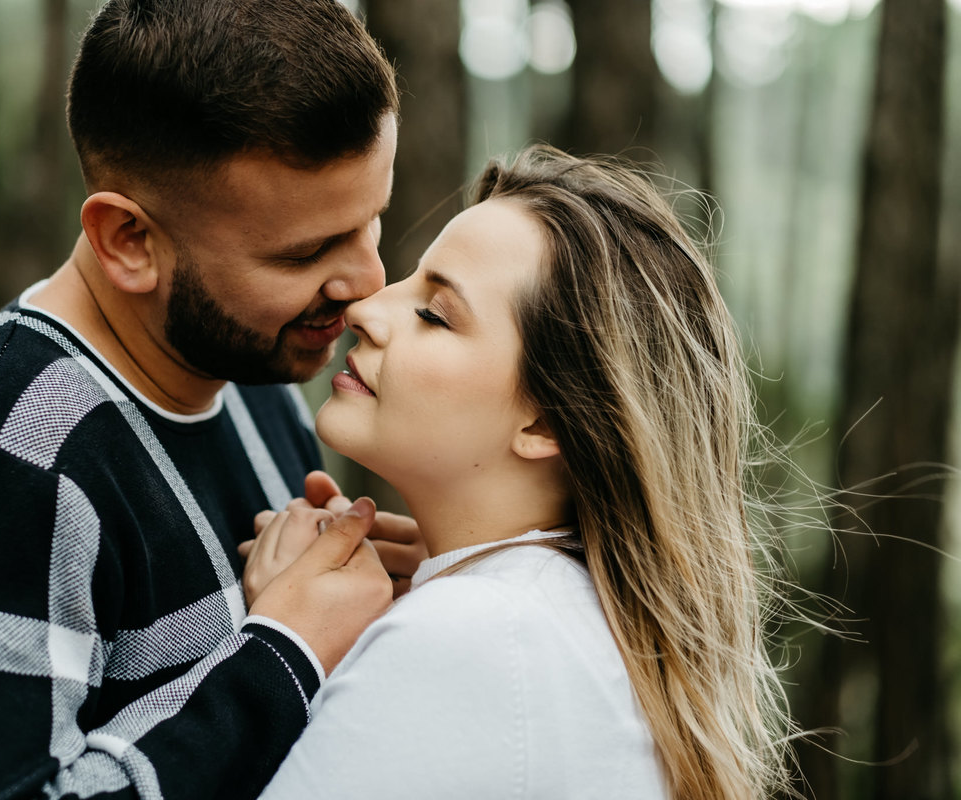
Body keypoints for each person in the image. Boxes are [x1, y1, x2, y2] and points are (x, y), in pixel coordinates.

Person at [0, 1, 414, 798]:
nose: (366, 285)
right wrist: (284, 648)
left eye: (370, 222)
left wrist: (366, 607)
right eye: (307, 252)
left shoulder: (254, 380)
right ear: (128, 241)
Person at [244, 145, 797, 800]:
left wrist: (280, 649)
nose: (366, 309)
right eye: (412, 279)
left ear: (545, 425)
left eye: (434, 314)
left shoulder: (473, 637)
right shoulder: (555, 619)